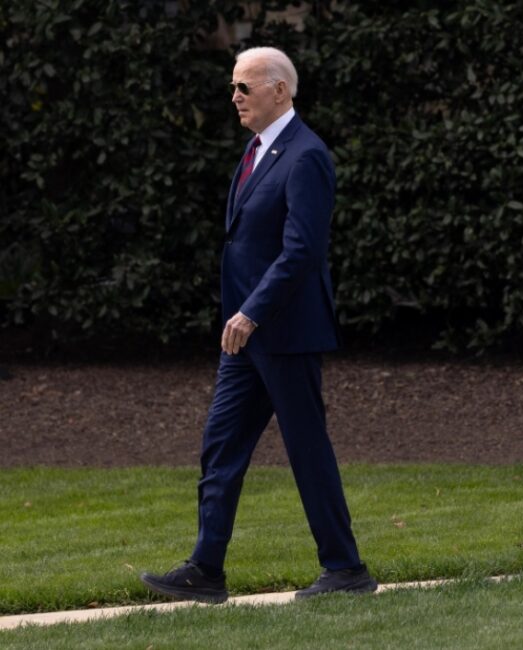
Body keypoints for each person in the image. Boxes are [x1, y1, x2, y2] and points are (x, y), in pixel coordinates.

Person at [141, 46, 376, 602]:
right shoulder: (257, 149)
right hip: (244, 337)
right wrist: (242, 318)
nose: (235, 97)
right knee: (220, 445)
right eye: (233, 86)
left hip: (285, 332)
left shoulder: (307, 155)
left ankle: (345, 569)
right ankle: (206, 569)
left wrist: (252, 311)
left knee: (307, 449)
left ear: (280, 90)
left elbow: (302, 251)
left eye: (244, 87)